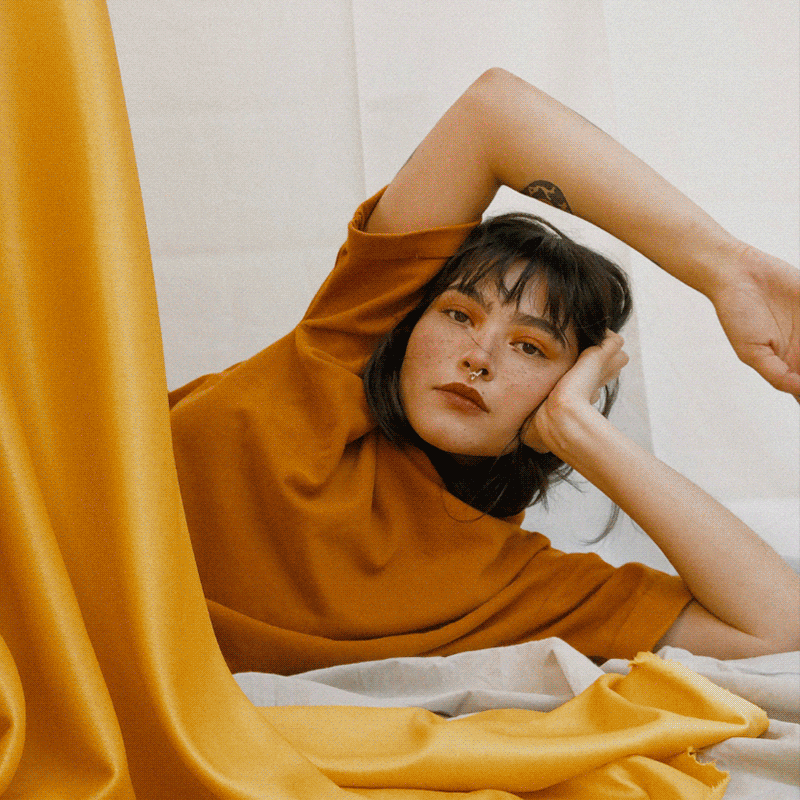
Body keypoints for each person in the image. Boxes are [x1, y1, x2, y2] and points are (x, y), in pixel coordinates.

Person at [169, 69, 799, 676]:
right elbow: (495, 113)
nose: (480, 356)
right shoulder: (333, 358)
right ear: (407, 326)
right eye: (458, 315)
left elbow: (779, 628)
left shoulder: (507, 585)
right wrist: (727, 269)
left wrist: (578, 428)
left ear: (566, 386)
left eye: (531, 348)